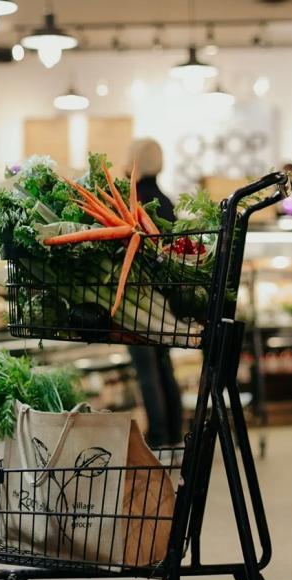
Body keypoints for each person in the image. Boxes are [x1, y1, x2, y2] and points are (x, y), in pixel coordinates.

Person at [125, 138, 183, 447]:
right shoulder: (167, 202)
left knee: (146, 369)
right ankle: (174, 434)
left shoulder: (131, 201)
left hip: (138, 299)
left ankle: (159, 439)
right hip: (164, 300)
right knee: (163, 364)